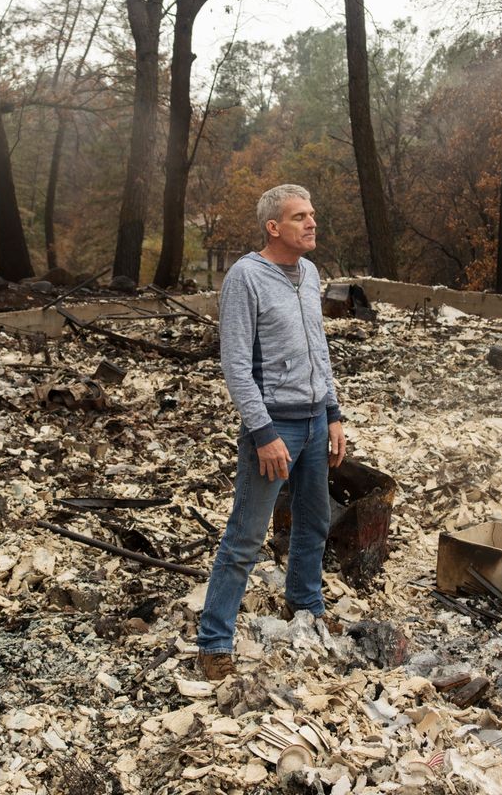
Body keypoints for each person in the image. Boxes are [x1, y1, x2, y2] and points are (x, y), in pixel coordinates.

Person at [196, 184, 347, 680]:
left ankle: (306, 608)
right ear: (273, 227)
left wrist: (334, 413)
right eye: (300, 216)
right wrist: (262, 433)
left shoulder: (309, 273)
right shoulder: (245, 278)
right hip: (274, 425)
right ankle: (214, 642)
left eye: (312, 214)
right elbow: (236, 365)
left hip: (313, 419)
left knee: (313, 523)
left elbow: (319, 349)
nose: (311, 223)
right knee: (246, 536)